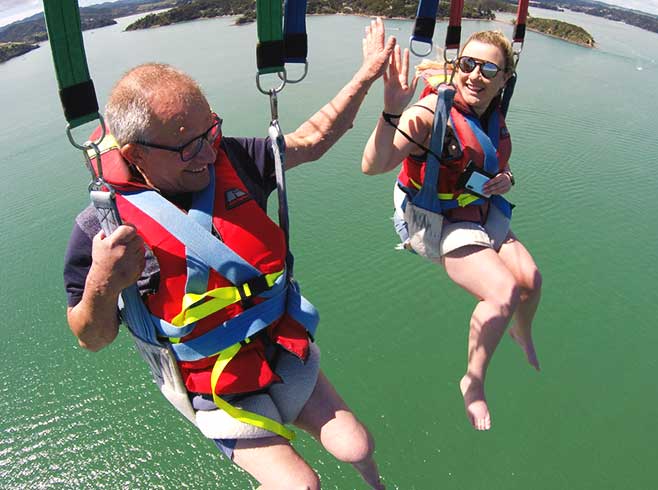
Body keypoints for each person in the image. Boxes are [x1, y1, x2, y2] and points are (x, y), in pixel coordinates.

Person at [64, 18, 395, 489]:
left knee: (358, 446)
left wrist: (366, 75)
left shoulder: (231, 159)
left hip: (279, 345)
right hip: (211, 386)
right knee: (301, 486)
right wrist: (103, 280)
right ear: (136, 155)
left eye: (211, 131)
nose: (207, 152)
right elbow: (90, 337)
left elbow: (311, 140)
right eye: (188, 145)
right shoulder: (104, 228)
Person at [361, 30, 543, 431]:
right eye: (468, 64)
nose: (475, 75)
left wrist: (506, 179)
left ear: (503, 80)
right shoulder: (430, 113)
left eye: (488, 68)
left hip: (478, 206)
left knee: (531, 280)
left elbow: (493, 161)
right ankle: (473, 382)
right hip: (437, 218)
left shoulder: (490, 113)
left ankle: (519, 332)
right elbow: (374, 164)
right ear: (455, 67)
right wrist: (392, 112)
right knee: (503, 291)